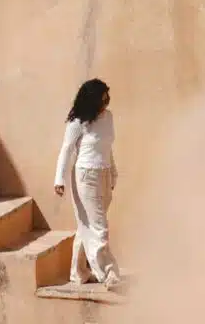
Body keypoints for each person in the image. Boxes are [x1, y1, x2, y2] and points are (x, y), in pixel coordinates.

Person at [54, 78, 121, 291]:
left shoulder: (108, 118)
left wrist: (113, 172)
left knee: (86, 226)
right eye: (103, 99)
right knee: (99, 227)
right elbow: (66, 150)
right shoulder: (78, 123)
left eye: (108, 99)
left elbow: (107, 147)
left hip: (104, 174)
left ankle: (78, 272)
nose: (107, 103)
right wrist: (59, 179)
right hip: (85, 176)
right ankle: (109, 274)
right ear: (92, 101)